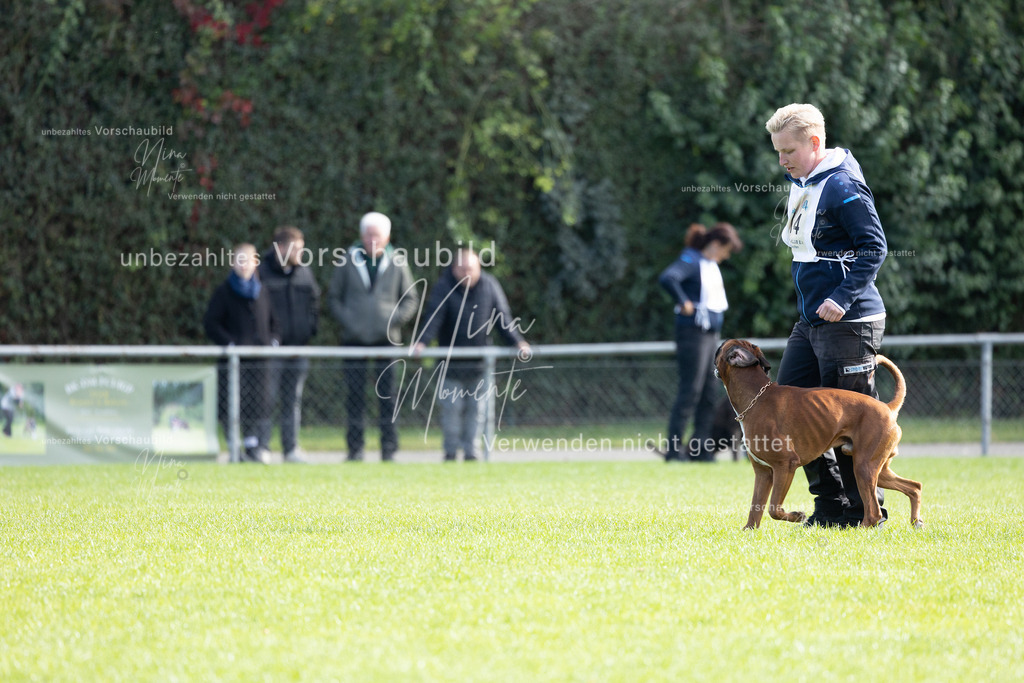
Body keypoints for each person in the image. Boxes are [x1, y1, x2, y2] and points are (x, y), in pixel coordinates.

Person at [765, 102, 889, 527]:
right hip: (812, 322)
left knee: (850, 421)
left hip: (849, 320)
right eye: (777, 151)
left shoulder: (842, 184)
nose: (782, 161)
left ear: (815, 143)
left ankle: (863, 512)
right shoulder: (802, 179)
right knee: (792, 412)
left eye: (789, 151)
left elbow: (874, 246)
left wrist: (841, 296)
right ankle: (830, 506)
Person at [413, 248, 530, 462]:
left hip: (480, 366)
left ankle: (471, 453)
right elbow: (434, 317)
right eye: (463, 269)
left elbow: (503, 319)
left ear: (479, 268)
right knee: (452, 411)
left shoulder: (490, 285)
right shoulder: (444, 286)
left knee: (478, 412)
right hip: (450, 366)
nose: (467, 273)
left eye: (471, 269)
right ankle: (450, 452)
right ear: (454, 269)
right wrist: (422, 343)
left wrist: (518, 342)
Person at [327, 212, 420, 462]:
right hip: (354, 340)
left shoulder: (397, 261)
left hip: (387, 341)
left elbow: (410, 298)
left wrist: (393, 320)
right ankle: (355, 449)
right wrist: (350, 321)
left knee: (388, 397)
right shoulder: (347, 260)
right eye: (368, 234)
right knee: (354, 396)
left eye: (377, 235)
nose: (372, 240)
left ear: (387, 236)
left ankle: (389, 449)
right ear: (361, 235)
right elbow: (334, 297)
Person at [658, 222, 743, 462]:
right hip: (692, 334)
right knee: (690, 390)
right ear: (716, 245)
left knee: (708, 390)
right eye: (725, 251)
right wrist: (682, 300)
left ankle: (700, 449)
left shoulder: (708, 264)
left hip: (709, 335)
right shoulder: (692, 259)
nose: (725, 257)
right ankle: (674, 451)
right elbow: (669, 278)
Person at [203, 243, 279, 463]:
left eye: (249, 260)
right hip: (234, 363)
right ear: (233, 263)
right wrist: (231, 344)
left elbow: (275, 323)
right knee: (232, 405)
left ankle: (256, 447)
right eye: (240, 260)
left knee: (261, 404)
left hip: (261, 361)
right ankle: (235, 448)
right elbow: (211, 323)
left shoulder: (263, 290)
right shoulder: (224, 292)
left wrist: (273, 341)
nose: (244, 265)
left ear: (256, 263)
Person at [259, 226, 320, 464]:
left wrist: (309, 330)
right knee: (266, 398)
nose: (301, 254)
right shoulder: (262, 272)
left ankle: (290, 448)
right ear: (281, 248)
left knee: (292, 400)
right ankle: (262, 447)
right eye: (297, 248)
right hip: (270, 351)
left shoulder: (304, 272)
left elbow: (315, 303)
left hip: (298, 348)